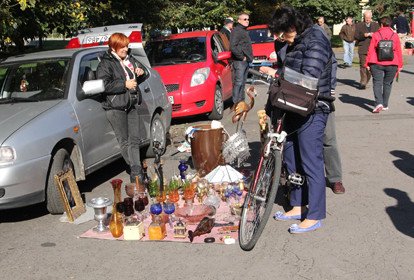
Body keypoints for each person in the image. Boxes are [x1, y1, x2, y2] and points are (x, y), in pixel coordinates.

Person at [262, 6, 334, 233]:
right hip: (293, 106)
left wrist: (276, 75)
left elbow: (309, 77)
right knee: (291, 158)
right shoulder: (296, 41)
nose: (282, 38)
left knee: (311, 161)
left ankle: (314, 214)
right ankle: (297, 204)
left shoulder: (316, 40)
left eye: (284, 33)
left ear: (293, 26)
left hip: (314, 107)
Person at [96, 33, 146, 183]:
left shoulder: (129, 59)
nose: (125, 49)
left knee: (135, 139)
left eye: (127, 46)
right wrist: (124, 84)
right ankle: (135, 171)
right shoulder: (105, 63)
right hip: (115, 107)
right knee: (124, 141)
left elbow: (142, 73)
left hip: (131, 104)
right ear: (113, 47)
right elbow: (103, 85)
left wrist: (140, 72)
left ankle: (136, 170)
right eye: (122, 46)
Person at [365, 17, 403, 113]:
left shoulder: (376, 35)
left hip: (376, 62)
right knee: (387, 84)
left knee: (377, 82)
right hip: (392, 63)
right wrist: (400, 65)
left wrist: (367, 63)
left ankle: (379, 103)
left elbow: (371, 50)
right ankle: (385, 104)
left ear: (381, 24)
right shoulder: (394, 35)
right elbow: (398, 50)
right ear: (390, 24)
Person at [230, 12, 253, 104]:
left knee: (243, 83)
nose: (247, 21)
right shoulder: (237, 31)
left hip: (245, 61)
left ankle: (241, 102)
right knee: (238, 83)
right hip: (239, 61)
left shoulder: (243, 30)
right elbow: (233, 46)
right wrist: (241, 57)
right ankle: (236, 103)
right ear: (239, 20)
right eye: (245, 19)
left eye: (248, 19)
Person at [354, 10, 379, 90]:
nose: (367, 19)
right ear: (364, 17)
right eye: (366, 17)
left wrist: (374, 35)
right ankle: (363, 82)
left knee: (371, 67)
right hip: (363, 48)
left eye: (369, 17)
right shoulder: (359, 25)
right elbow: (356, 36)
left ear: (371, 17)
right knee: (363, 65)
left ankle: (366, 80)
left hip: (373, 49)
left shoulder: (376, 25)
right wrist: (364, 35)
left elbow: (379, 36)